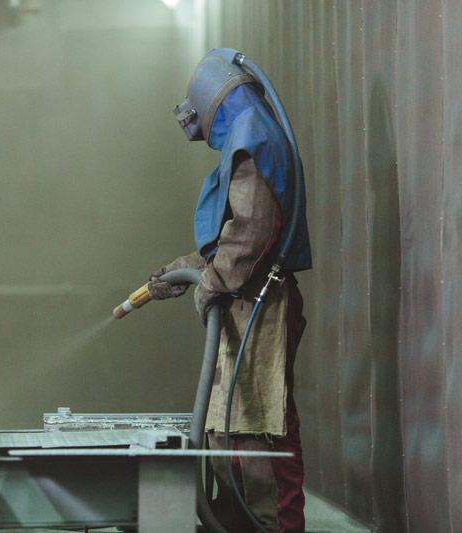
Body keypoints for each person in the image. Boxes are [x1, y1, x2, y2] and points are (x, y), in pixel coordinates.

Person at [148, 51, 312, 532]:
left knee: (255, 435)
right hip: (248, 304)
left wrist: (211, 283)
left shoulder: (251, 137)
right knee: (229, 432)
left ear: (207, 103)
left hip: (261, 306)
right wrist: (185, 271)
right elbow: (236, 237)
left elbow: (252, 232)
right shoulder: (251, 134)